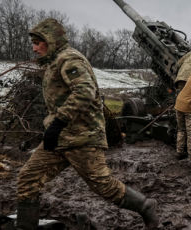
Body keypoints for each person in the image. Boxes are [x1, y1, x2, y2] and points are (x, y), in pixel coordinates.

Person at [16, 18, 158, 229]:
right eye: (33, 43)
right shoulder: (55, 62)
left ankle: (146, 206)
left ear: (51, 41)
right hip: (60, 138)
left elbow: (84, 91)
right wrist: (55, 126)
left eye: (38, 42)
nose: (34, 48)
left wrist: (59, 121)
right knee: (28, 178)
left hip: (82, 138)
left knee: (104, 186)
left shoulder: (69, 59)